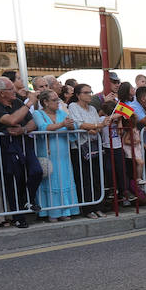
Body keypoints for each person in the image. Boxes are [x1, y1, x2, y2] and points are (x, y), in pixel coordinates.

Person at [0, 77, 41, 228]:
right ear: (2, 93)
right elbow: (12, 120)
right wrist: (29, 103)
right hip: (6, 148)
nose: (14, 91)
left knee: (36, 171)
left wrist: (24, 129)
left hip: (24, 144)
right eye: (10, 89)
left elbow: (32, 122)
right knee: (14, 182)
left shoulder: (17, 102)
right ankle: (18, 216)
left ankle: (28, 199)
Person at [32, 90, 77, 221]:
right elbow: (43, 127)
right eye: (54, 100)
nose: (58, 102)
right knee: (51, 181)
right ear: (45, 102)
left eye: (58, 99)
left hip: (63, 154)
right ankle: (51, 212)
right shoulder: (37, 113)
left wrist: (71, 127)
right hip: (47, 153)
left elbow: (72, 131)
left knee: (64, 179)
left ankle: (65, 211)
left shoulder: (62, 113)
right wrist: (62, 125)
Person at [65, 84, 109, 216]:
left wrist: (95, 127)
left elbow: (95, 128)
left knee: (96, 176)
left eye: (90, 92)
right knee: (85, 178)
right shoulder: (73, 106)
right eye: (86, 92)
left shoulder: (93, 109)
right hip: (81, 147)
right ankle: (88, 209)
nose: (89, 95)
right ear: (78, 95)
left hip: (94, 146)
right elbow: (79, 124)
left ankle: (97, 206)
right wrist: (97, 125)